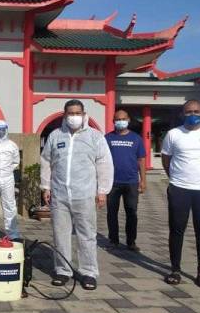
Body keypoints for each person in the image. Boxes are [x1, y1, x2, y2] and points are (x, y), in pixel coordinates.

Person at [40, 100, 113, 291]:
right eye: (70, 113)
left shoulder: (95, 137)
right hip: (60, 194)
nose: (74, 116)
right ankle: (63, 270)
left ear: (83, 114)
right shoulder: (56, 136)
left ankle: (88, 272)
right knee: (60, 234)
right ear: (64, 115)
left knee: (87, 235)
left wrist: (102, 190)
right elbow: (47, 161)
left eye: (77, 113)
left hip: (85, 194)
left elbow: (104, 164)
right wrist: (46, 186)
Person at [161, 99, 200, 288]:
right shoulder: (173, 134)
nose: (192, 115)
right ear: (182, 114)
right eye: (188, 112)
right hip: (180, 189)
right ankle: (175, 270)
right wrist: (176, 180)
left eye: (196, 111)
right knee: (177, 230)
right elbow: (166, 160)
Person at [105, 109, 146, 251]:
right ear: (113, 121)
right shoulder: (107, 138)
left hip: (131, 181)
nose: (120, 121)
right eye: (117, 119)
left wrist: (143, 180)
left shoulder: (136, 138)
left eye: (123, 119)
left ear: (128, 120)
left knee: (132, 212)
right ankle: (113, 240)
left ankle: (131, 241)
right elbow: (101, 160)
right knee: (111, 212)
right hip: (112, 182)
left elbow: (141, 160)